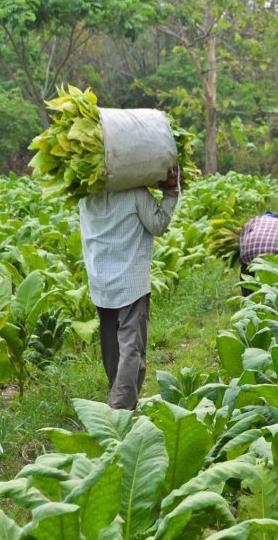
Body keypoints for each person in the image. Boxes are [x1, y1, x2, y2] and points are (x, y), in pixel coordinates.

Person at [79, 167, 180, 410]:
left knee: (112, 350)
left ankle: (121, 399)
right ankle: (119, 411)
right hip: (130, 283)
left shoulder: (85, 197)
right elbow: (158, 225)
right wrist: (171, 194)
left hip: (101, 283)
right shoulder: (136, 194)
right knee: (131, 350)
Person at [238, 212, 278, 296]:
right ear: (276, 217)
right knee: (277, 273)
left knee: (245, 270)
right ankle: (274, 295)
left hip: (249, 252)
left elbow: (241, 239)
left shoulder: (253, 220)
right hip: (273, 253)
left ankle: (247, 296)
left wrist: (242, 256)